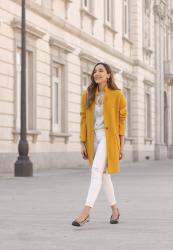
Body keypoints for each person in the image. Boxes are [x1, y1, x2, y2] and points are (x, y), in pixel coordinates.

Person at [72, 62, 127, 226]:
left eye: (101, 71)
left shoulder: (118, 95)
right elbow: (83, 119)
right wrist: (82, 143)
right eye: (95, 71)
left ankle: (86, 212)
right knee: (103, 175)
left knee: (96, 170)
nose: (97, 73)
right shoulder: (87, 94)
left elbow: (121, 122)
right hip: (92, 139)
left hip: (108, 138)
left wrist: (121, 146)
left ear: (109, 75)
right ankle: (115, 210)